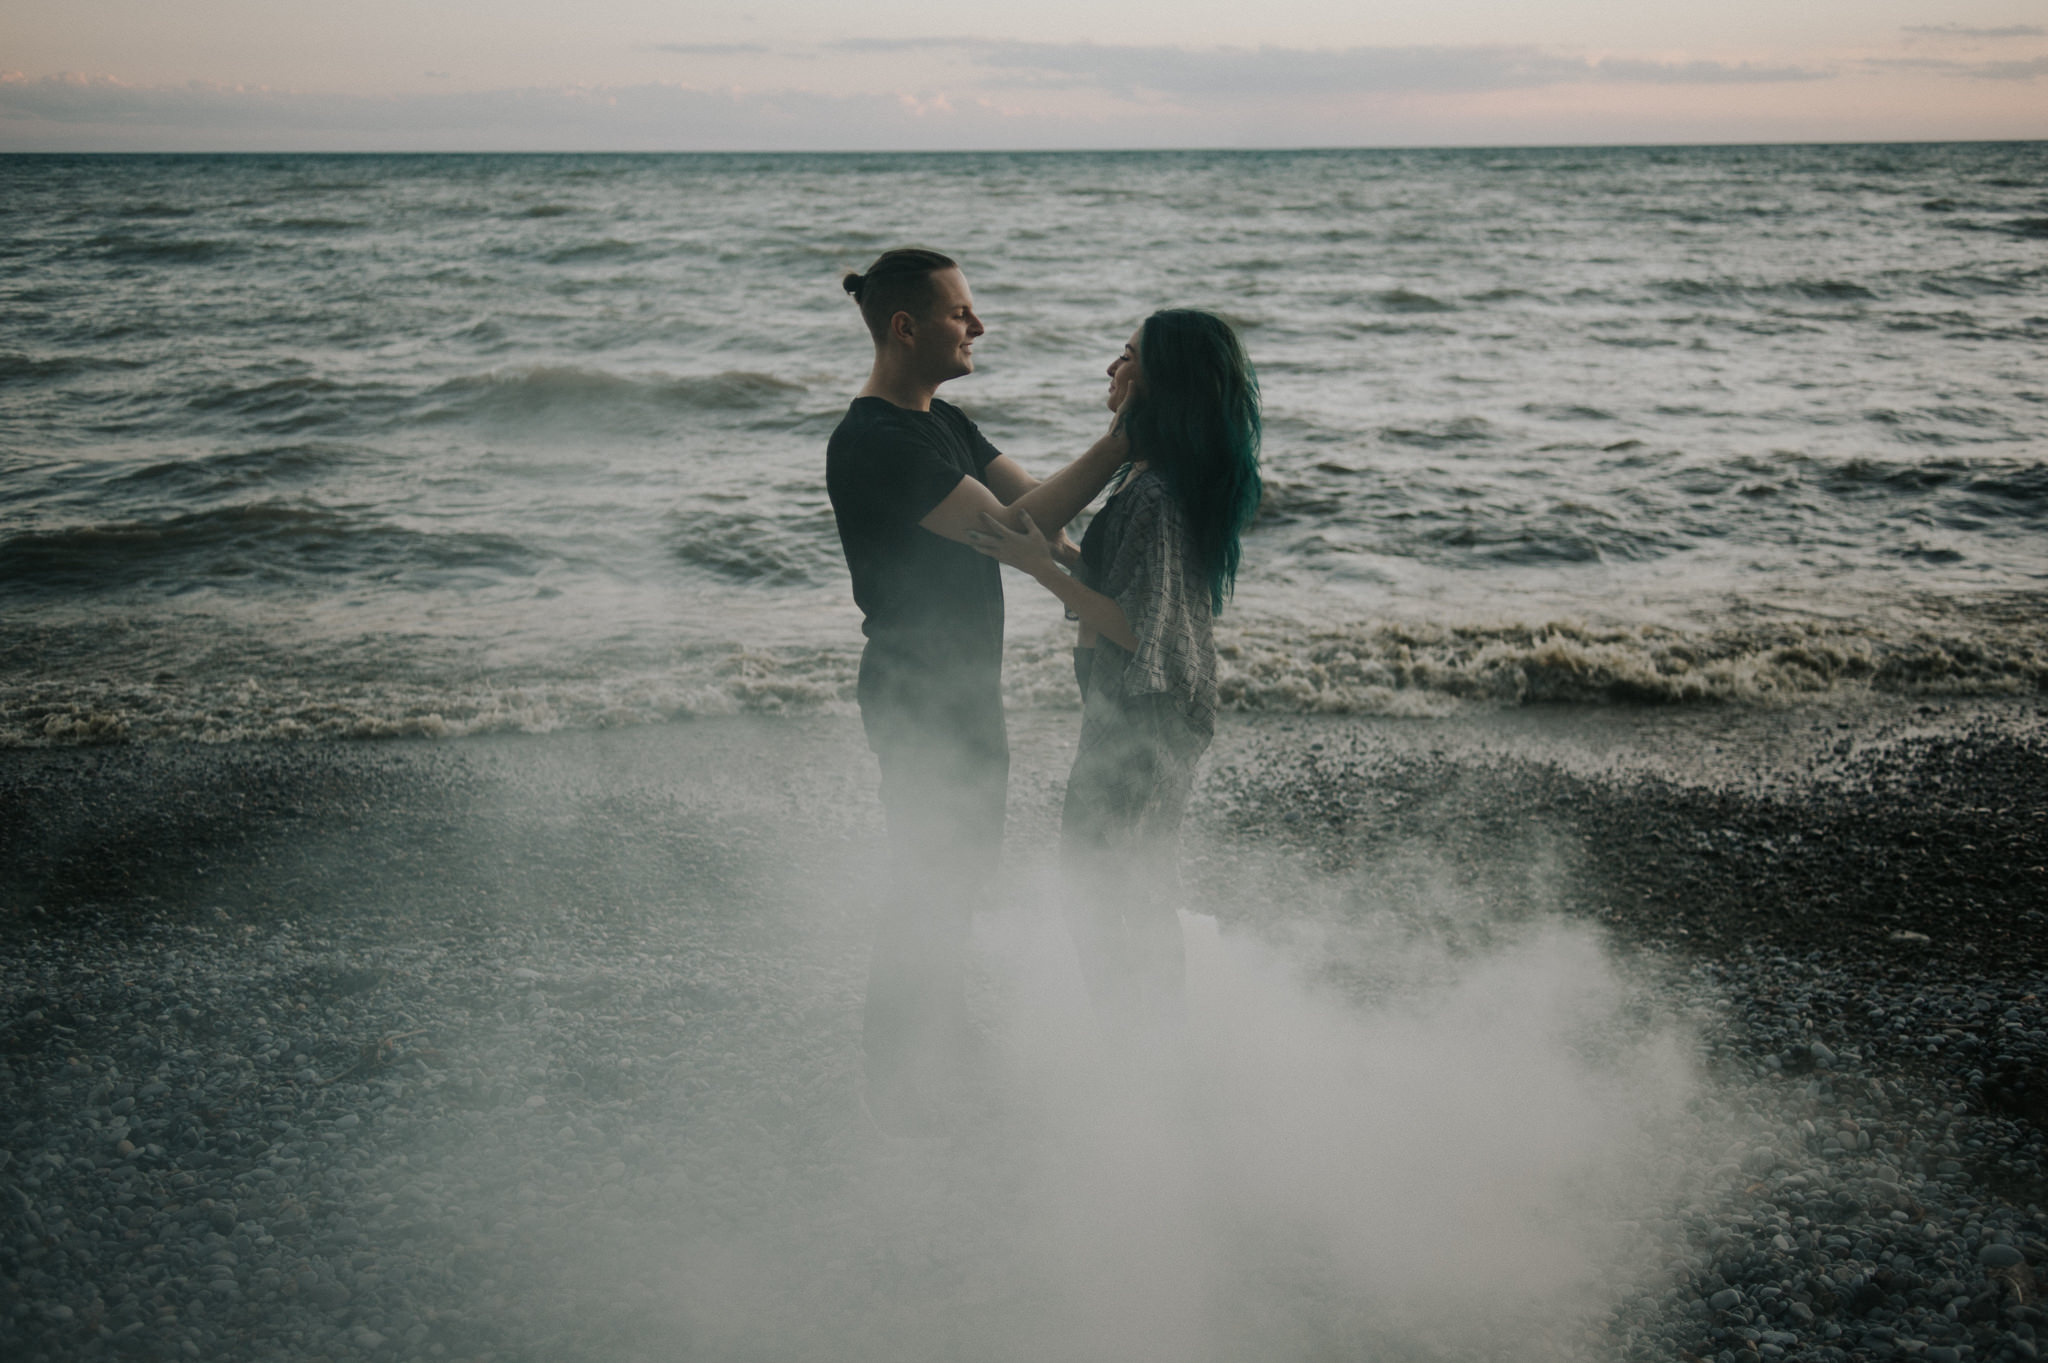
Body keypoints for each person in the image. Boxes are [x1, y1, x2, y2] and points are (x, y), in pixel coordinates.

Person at [825, 247, 1128, 1133]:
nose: (979, 325)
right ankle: (901, 1085)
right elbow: (1016, 530)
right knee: (930, 883)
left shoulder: (945, 423)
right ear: (905, 327)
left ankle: (937, 1051)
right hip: (917, 696)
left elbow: (1044, 518)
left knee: (955, 879)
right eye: (962, 312)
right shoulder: (875, 442)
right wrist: (1122, 441)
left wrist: (1113, 568)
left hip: (962, 693)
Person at [966, 310, 1261, 1038]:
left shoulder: (1156, 494)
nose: (1110, 368)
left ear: (1160, 382)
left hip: (1145, 713)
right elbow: (1139, 590)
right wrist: (1064, 556)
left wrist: (1040, 569)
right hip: (1151, 712)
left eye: (1126, 356)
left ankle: (1140, 1054)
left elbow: (1137, 628)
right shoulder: (1152, 477)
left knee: (1103, 888)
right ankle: (1151, 1053)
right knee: (1130, 887)